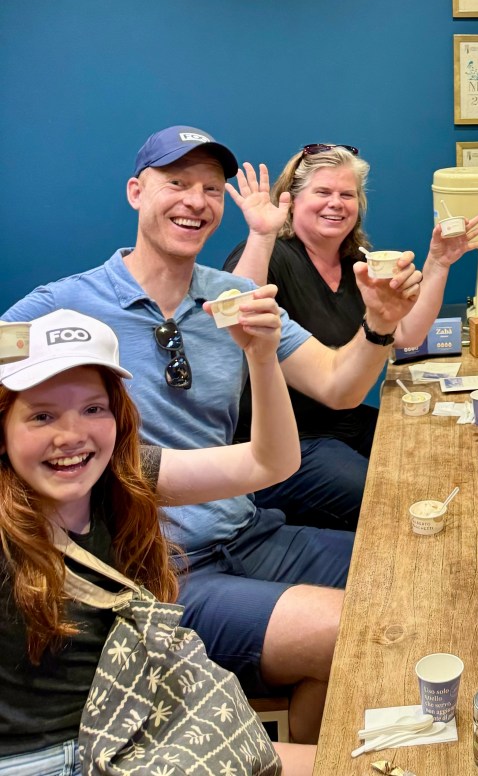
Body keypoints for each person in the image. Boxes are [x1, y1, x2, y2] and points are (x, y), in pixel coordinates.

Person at [1, 125, 424, 743]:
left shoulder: (237, 299)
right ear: (135, 192)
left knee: (410, 570)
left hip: (249, 529)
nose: (195, 201)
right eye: (176, 183)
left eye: (211, 189)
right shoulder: (61, 309)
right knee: (360, 625)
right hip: (161, 566)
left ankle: (306, 747)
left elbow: (338, 386)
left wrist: (381, 325)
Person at [0, 307, 315, 775]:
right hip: (48, 758)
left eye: (93, 409)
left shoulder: (122, 476)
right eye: (42, 416)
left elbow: (271, 463)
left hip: (140, 727)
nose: (71, 436)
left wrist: (263, 359)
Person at [222, 142, 478, 530]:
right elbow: (238, 311)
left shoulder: (356, 261)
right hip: (287, 442)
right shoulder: (268, 255)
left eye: (347, 194)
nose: (337, 203)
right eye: (323, 192)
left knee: (433, 457)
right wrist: (261, 236)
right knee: (393, 501)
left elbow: (407, 333)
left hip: (342, 422)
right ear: (291, 201)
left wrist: (438, 263)